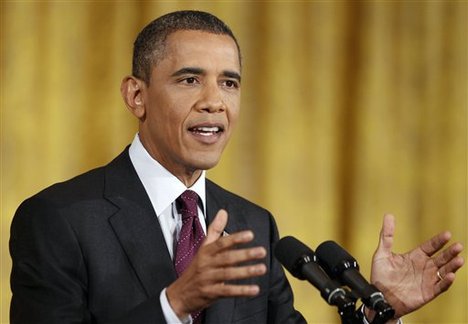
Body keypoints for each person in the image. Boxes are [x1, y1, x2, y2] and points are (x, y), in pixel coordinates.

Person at [10, 10, 464, 324]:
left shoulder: (253, 225)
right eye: (190, 79)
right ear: (136, 96)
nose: (215, 102)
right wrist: (175, 305)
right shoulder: (58, 219)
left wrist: (376, 313)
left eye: (229, 83)